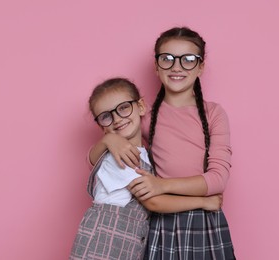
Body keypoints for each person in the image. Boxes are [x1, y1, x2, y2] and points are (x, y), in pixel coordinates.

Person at [88, 27, 236, 259]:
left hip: (204, 222)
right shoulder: (144, 117)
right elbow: (95, 160)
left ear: (201, 67)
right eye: (167, 59)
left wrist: (162, 185)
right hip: (161, 223)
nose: (176, 67)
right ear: (156, 67)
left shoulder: (214, 114)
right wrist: (109, 139)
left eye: (188, 59)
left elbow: (218, 179)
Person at [69, 77, 223, 260]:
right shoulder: (119, 157)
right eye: (106, 116)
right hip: (101, 247)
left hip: (125, 247)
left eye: (124, 107)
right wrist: (204, 202)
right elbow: (153, 202)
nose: (117, 119)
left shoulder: (145, 154)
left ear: (141, 107)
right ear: (101, 126)